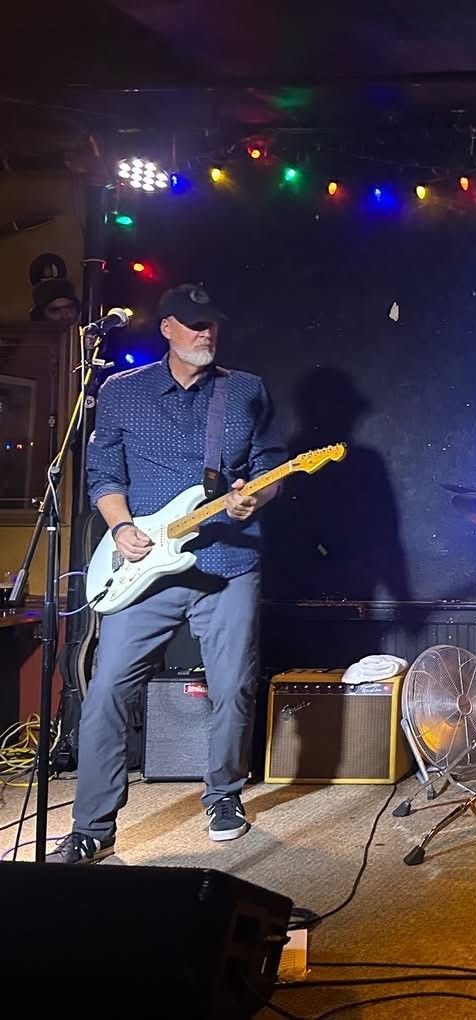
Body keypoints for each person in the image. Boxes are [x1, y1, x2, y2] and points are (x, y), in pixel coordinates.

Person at [47, 283, 287, 863]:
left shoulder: (245, 389)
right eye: (194, 323)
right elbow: (104, 474)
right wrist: (121, 527)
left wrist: (253, 499)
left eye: (212, 323)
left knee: (232, 685)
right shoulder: (121, 391)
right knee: (106, 687)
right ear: (167, 329)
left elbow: (272, 469)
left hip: (228, 561)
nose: (206, 332)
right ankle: (92, 827)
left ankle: (223, 795)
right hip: (143, 562)